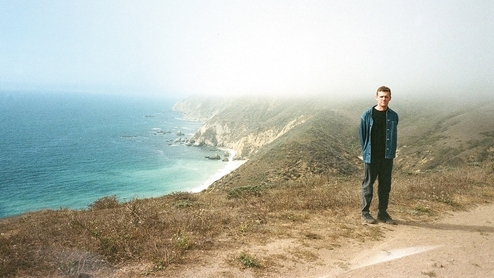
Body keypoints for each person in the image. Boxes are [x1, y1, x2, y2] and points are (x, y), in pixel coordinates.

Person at [359, 86, 398, 225]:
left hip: (387, 156)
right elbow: (362, 136)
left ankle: (382, 213)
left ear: (390, 98)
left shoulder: (393, 116)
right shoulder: (367, 115)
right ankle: (365, 213)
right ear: (376, 97)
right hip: (371, 156)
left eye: (386, 96)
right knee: (368, 185)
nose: (384, 99)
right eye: (381, 96)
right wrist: (366, 152)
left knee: (385, 185)